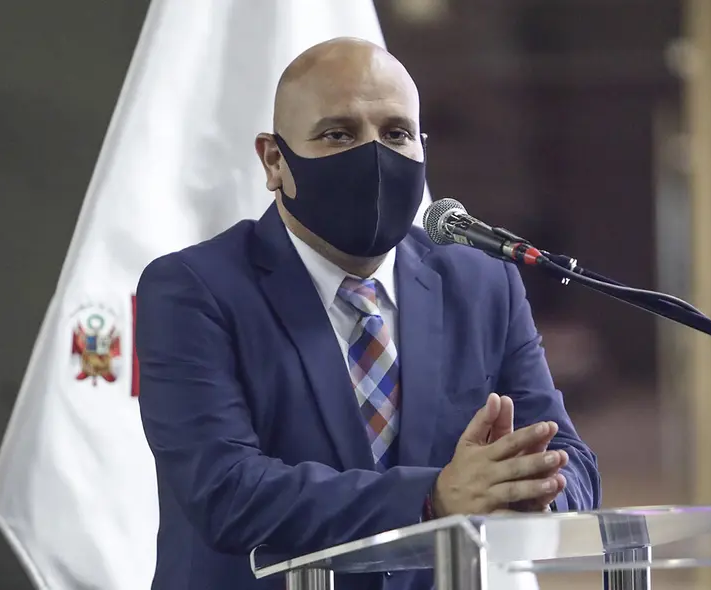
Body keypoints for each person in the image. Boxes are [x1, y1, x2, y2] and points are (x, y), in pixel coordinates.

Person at [136, 37, 601, 590]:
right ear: (274, 160)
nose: (375, 155)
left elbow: (569, 458)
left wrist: (530, 493)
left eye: (397, 133)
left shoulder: (482, 282)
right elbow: (227, 492)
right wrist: (435, 497)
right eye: (339, 134)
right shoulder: (193, 290)